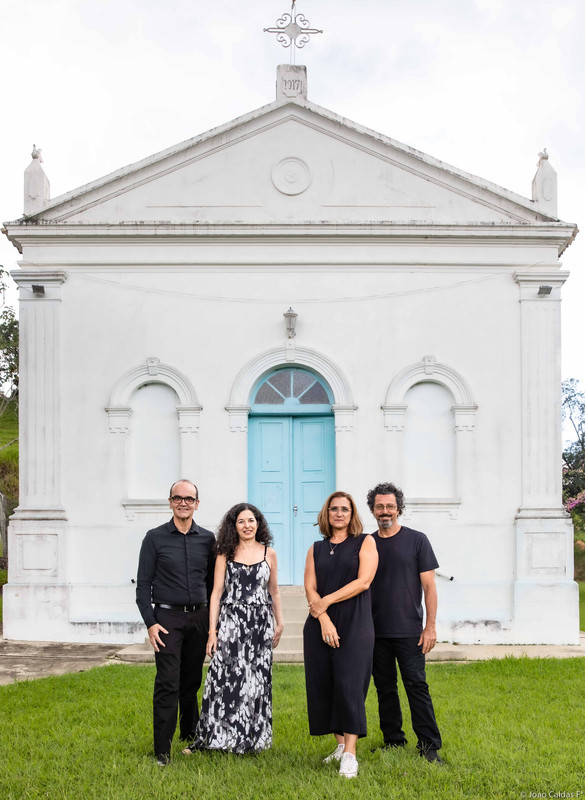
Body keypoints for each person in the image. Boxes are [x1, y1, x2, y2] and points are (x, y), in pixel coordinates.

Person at [182, 502, 284, 754]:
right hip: (231, 622)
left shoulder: (269, 553)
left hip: (260, 625)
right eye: (241, 522)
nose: (247, 526)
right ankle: (216, 738)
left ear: (258, 524)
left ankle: (251, 740)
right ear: (233, 526)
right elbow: (216, 593)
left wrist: (279, 622)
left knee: (256, 682)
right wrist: (212, 631)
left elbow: (274, 591)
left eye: (251, 520)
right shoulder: (224, 553)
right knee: (223, 680)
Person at [136, 479, 215, 766]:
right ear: (170, 502)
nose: (184, 502)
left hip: (199, 618)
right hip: (167, 619)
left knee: (191, 681)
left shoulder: (207, 539)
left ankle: (190, 731)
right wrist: (150, 622)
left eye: (189, 498)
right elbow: (143, 586)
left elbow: (213, 584)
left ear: (197, 503)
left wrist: (212, 624)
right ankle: (162, 750)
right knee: (168, 682)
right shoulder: (154, 538)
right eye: (178, 498)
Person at [303, 491, 378, 779]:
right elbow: (310, 587)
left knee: (349, 685)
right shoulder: (316, 549)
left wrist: (327, 601)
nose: (339, 513)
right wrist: (323, 617)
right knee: (325, 685)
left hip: (355, 623)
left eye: (344, 509)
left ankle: (351, 754)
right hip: (320, 624)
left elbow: (364, 581)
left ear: (352, 514)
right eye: (334, 509)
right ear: (326, 513)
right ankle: (338, 745)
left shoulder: (365, 542)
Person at [367, 481, 443, 764]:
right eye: (379, 507)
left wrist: (430, 626)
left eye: (389, 506)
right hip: (374, 631)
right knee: (385, 688)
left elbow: (429, 587)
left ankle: (429, 746)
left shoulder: (417, 540)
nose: (385, 511)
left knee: (416, 686)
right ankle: (393, 740)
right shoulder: (367, 543)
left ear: (398, 508)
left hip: (410, 630)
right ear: (373, 510)